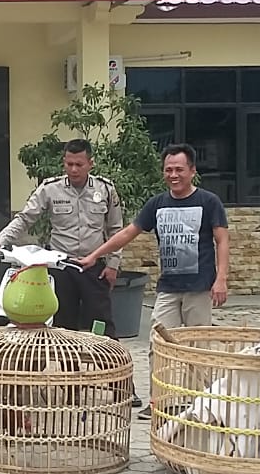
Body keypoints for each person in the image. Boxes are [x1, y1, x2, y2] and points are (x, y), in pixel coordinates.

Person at [0, 138, 143, 407]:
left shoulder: (105, 189)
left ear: (90, 163)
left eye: (79, 164)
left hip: (94, 268)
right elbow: (25, 219)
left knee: (103, 327)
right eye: (69, 164)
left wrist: (113, 264)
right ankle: (71, 388)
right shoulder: (50, 189)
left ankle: (122, 387)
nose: (73, 169)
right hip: (62, 268)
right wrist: (0, 242)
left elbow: (116, 229)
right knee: (64, 330)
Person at [78, 143, 230, 418]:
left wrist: (221, 279)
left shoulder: (209, 202)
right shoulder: (157, 204)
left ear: (192, 171)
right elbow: (127, 233)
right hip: (168, 288)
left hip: (199, 288)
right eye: (168, 170)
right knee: (157, 344)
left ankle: (199, 404)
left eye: (179, 169)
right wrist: (94, 255)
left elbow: (222, 240)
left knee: (198, 347)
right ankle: (160, 402)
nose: (173, 175)